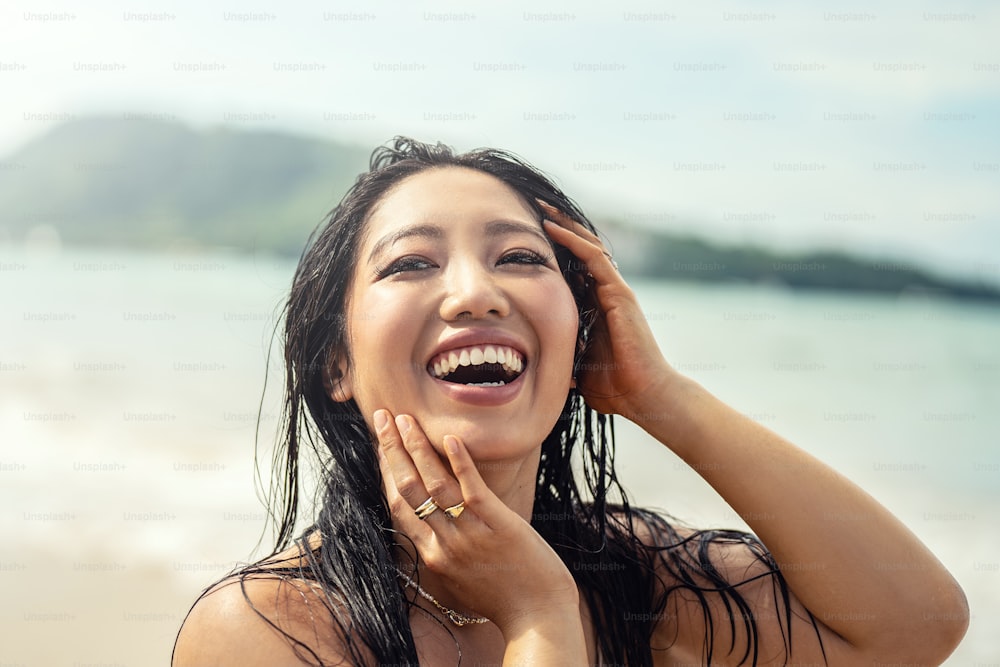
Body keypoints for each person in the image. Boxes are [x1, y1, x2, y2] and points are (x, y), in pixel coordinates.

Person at [172, 137, 968, 666]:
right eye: (411, 263)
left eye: (519, 256)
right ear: (336, 361)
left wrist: (663, 396)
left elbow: (915, 626)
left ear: (577, 334)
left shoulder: (630, 574)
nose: (475, 292)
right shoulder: (268, 630)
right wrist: (539, 617)